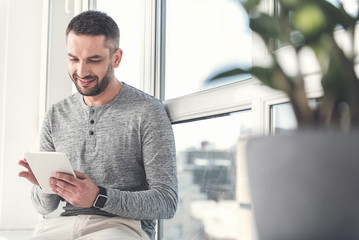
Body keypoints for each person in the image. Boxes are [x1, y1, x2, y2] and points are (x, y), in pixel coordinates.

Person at [18, 10, 178, 240]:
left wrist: (98, 197)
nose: (81, 72)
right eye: (73, 59)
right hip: (62, 226)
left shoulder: (147, 111)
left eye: (94, 60)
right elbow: (45, 208)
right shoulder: (56, 113)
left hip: (122, 227)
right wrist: (47, 186)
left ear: (116, 58)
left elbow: (167, 201)